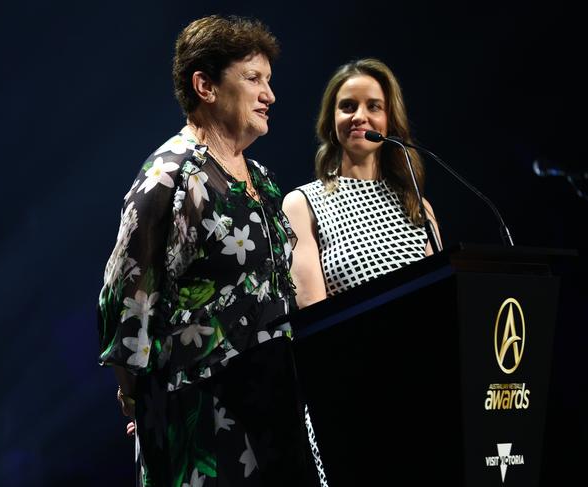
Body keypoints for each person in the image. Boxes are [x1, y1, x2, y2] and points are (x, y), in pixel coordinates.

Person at [97, 15, 320, 486]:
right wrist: (139, 399)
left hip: (276, 416)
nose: (269, 95)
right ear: (205, 85)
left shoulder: (260, 178)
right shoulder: (170, 177)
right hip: (204, 423)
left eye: (269, 81)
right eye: (253, 78)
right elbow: (125, 298)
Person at [283, 58, 442, 308]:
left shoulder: (419, 207)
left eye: (374, 106)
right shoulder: (302, 204)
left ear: (390, 120)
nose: (359, 116)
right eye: (348, 106)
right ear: (331, 120)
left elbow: (441, 297)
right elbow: (313, 312)